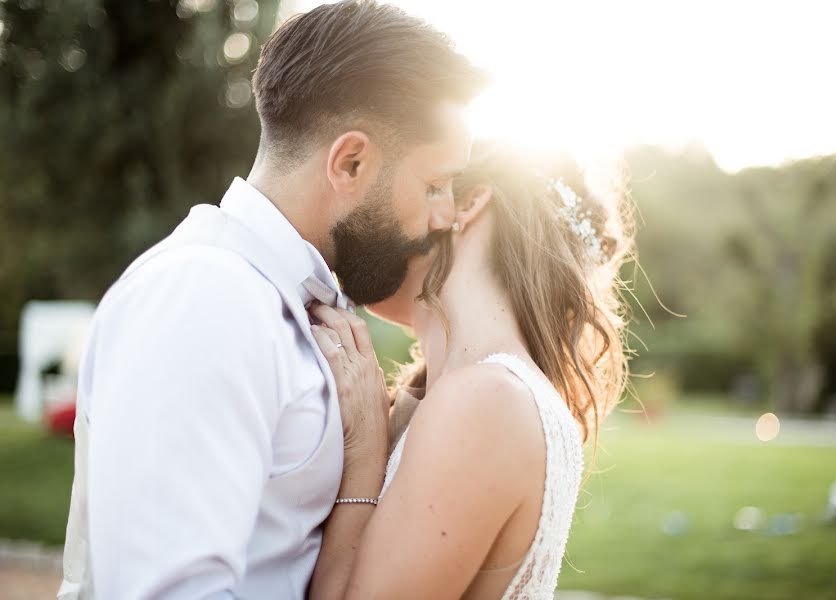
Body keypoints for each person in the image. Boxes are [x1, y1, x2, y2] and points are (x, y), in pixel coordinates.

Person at [57, 2, 486, 598]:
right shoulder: (204, 300)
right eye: (435, 184)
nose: (444, 215)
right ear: (351, 162)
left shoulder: (280, 301)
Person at [306, 141, 633, 599]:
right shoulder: (481, 392)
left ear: (468, 203)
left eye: (427, 184)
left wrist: (362, 446)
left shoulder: (487, 401)